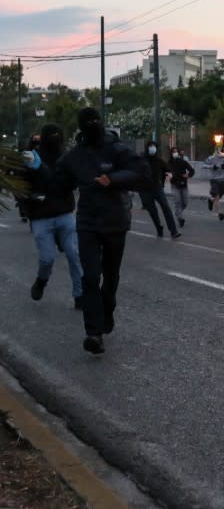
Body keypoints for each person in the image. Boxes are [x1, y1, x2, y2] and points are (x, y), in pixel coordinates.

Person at [23, 107, 150, 354]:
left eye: (96, 120)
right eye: (88, 122)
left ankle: (107, 309)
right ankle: (94, 333)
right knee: (90, 277)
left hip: (115, 222)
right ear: (81, 127)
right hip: (88, 224)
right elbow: (57, 185)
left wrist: (113, 179)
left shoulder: (116, 148)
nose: (93, 125)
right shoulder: (74, 157)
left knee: (110, 277)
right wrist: (38, 169)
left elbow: (141, 171)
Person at [21, 123, 83, 309]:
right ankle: (42, 280)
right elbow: (21, 184)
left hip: (64, 213)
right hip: (41, 216)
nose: (55, 138)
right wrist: (29, 201)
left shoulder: (66, 158)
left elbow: (69, 182)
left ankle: (79, 295)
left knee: (74, 254)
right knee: (47, 258)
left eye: (58, 134)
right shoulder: (31, 157)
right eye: (52, 134)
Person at [140, 141, 180, 239]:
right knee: (153, 212)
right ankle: (159, 228)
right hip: (145, 190)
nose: (152, 148)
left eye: (154, 146)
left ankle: (173, 231)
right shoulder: (141, 160)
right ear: (147, 148)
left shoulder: (159, 161)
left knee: (166, 208)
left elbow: (169, 170)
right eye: (150, 146)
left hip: (157, 189)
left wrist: (170, 174)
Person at [168, 145, 194, 228]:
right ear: (171, 153)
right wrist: (167, 176)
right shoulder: (169, 163)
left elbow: (192, 170)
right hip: (175, 185)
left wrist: (188, 175)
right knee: (177, 202)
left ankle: (178, 212)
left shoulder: (182, 161)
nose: (175, 153)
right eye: (173, 152)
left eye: (176, 151)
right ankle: (180, 218)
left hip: (183, 185)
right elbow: (165, 172)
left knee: (185, 202)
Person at [205, 146, 224, 221]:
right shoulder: (211, 158)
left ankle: (211, 200)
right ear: (215, 150)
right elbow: (204, 165)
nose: (219, 152)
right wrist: (212, 166)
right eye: (217, 150)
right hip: (214, 180)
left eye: (220, 150)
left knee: (221, 194)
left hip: (222, 180)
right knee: (217, 197)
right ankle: (219, 213)